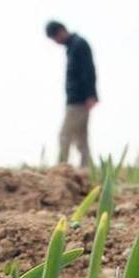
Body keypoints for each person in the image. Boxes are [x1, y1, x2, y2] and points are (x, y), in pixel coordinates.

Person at [45, 20, 97, 168]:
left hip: (78, 101)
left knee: (64, 135)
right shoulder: (72, 47)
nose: (56, 42)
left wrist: (90, 95)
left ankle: (61, 171)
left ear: (61, 31)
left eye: (54, 38)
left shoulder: (78, 45)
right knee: (81, 139)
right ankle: (86, 171)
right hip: (77, 99)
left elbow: (88, 70)